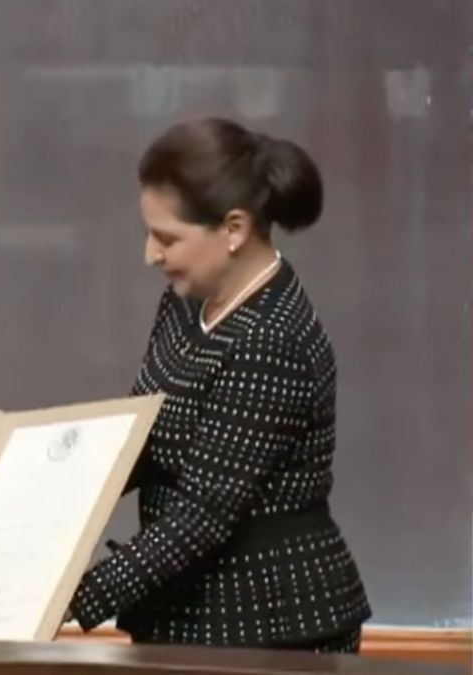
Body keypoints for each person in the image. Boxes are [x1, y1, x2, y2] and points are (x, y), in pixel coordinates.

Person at [66, 118, 371, 653]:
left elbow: (200, 516)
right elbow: (147, 431)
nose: (150, 254)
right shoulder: (190, 300)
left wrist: (68, 597)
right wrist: (55, 486)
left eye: (167, 238)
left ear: (234, 228)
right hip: (184, 613)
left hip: (270, 628)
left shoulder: (271, 340)